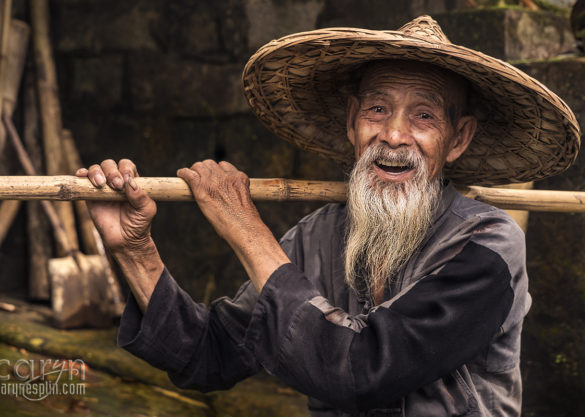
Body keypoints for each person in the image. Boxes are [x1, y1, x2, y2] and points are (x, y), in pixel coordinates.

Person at [76, 16, 580, 417]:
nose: (395, 135)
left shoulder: (488, 244)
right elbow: (209, 356)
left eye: (424, 116)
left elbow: (361, 371)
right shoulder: (316, 238)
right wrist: (134, 250)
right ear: (351, 122)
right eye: (377, 110)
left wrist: (245, 227)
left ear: (459, 138)